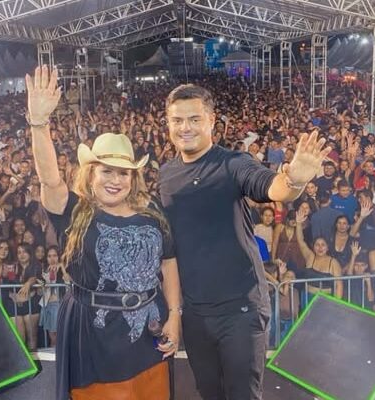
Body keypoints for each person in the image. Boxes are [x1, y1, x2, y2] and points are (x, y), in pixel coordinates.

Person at [159, 84, 330, 400]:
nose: (185, 128)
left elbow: (271, 187)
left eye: (194, 119)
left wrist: (294, 179)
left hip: (240, 308)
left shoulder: (233, 164)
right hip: (195, 312)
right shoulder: (165, 175)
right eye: (177, 120)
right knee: (210, 393)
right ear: (168, 124)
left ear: (212, 121)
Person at [26, 66, 181, 400]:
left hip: (149, 330)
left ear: (133, 177)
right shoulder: (74, 210)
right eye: (107, 172)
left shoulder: (152, 211)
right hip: (93, 333)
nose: (115, 180)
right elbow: (50, 179)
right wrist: (39, 124)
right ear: (91, 173)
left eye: (123, 173)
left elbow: (168, 263)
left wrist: (175, 315)